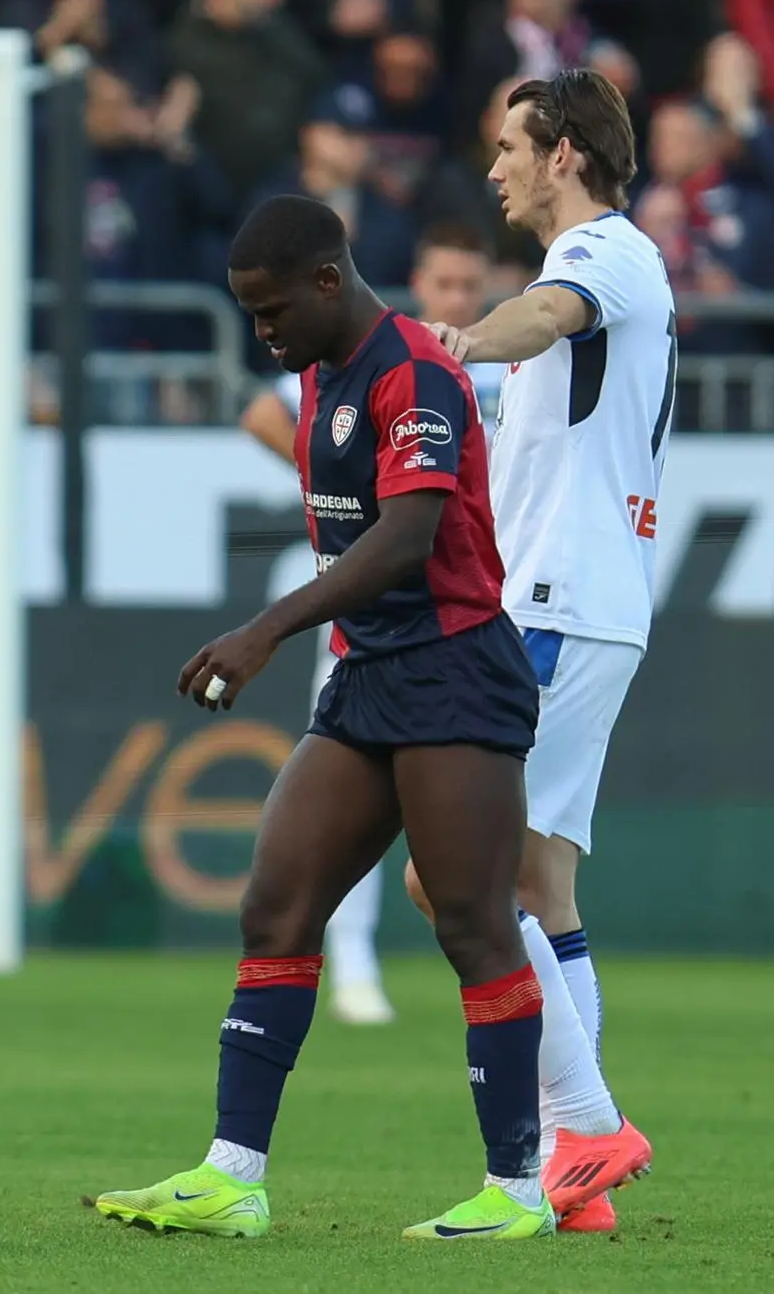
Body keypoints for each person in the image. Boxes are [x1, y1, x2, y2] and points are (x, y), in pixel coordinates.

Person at [93, 194, 553, 1242]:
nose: (262, 332)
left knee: (472, 922)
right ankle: (231, 1174)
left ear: (326, 282)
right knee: (276, 902)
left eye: (268, 311)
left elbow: (406, 536)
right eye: (247, 314)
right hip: (370, 674)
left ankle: (517, 1187)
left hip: (452, 669)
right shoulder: (316, 375)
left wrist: (262, 632)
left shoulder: (416, 371)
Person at [422, 67, 667, 1232]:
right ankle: (579, 1181)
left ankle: (587, 1125)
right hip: (567, 606)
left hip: (561, 610)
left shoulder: (607, 256)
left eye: (511, 145)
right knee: (539, 884)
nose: (496, 168)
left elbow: (543, 315)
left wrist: (459, 339)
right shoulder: (578, 281)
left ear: (564, 151)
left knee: (451, 871)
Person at [237, 223, 504, 1028]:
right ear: (419, 281)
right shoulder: (356, 360)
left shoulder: (483, 365)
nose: (456, 298)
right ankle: (352, 957)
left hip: (463, 614)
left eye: (469, 285)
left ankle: (552, 1108)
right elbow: (259, 411)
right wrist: (347, 475)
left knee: (470, 881)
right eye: (444, 283)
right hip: (363, 611)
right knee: (332, 821)